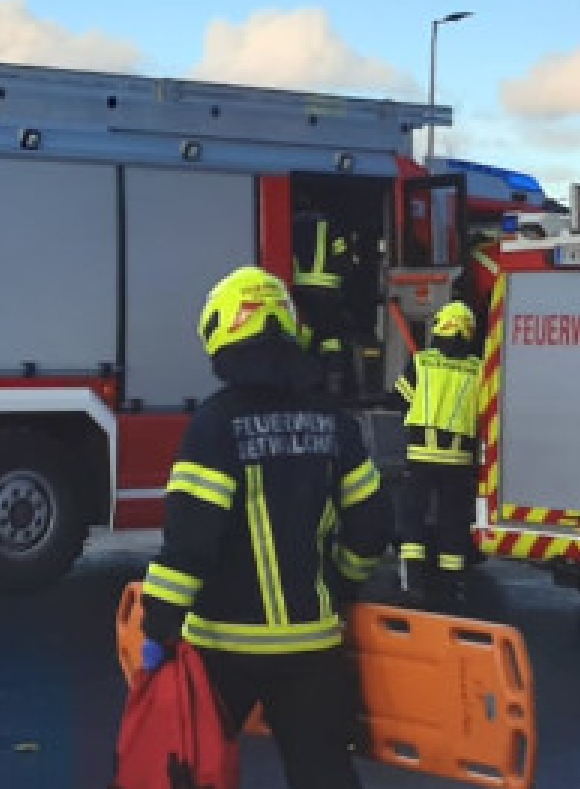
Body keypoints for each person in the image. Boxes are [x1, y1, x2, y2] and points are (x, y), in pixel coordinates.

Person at [139, 266, 391, 789]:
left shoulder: (214, 426)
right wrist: (343, 583)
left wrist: (158, 626)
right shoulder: (333, 421)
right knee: (324, 776)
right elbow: (370, 523)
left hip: (221, 651)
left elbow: (190, 542)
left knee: (193, 769)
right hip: (311, 648)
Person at [392, 300, 481, 608]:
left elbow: (401, 398)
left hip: (420, 456)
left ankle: (412, 585)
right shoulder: (479, 369)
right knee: (453, 523)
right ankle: (453, 589)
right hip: (459, 461)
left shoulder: (421, 362)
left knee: (412, 518)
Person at [291, 200, 358, 394]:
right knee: (331, 339)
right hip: (328, 291)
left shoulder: (292, 223)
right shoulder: (332, 224)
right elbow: (342, 255)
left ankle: (303, 384)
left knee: (304, 336)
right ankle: (333, 383)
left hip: (299, 291)